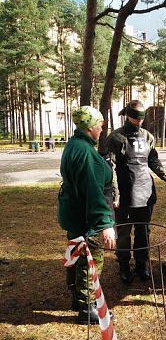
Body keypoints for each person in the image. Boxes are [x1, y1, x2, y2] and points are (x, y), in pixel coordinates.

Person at [101, 100, 166, 284]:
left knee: (143, 231)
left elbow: (153, 161)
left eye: (141, 118)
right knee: (124, 232)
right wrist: (115, 194)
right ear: (127, 115)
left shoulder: (148, 137)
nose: (139, 121)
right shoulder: (115, 138)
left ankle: (142, 265)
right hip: (125, 193)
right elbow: (110, 168)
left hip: (145, 191)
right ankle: (124, 266)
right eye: (135, 118)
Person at [58, 105, 116, 324]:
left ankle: (75, 296)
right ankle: (87, 308)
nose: (102, 129)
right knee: (90, 260)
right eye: (100, 125)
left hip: (74, 214)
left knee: (75, 253)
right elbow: (93, 192)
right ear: (91, 126)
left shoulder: (74, 143)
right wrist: (104, 224)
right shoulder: (85, 152)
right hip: (85, 219)